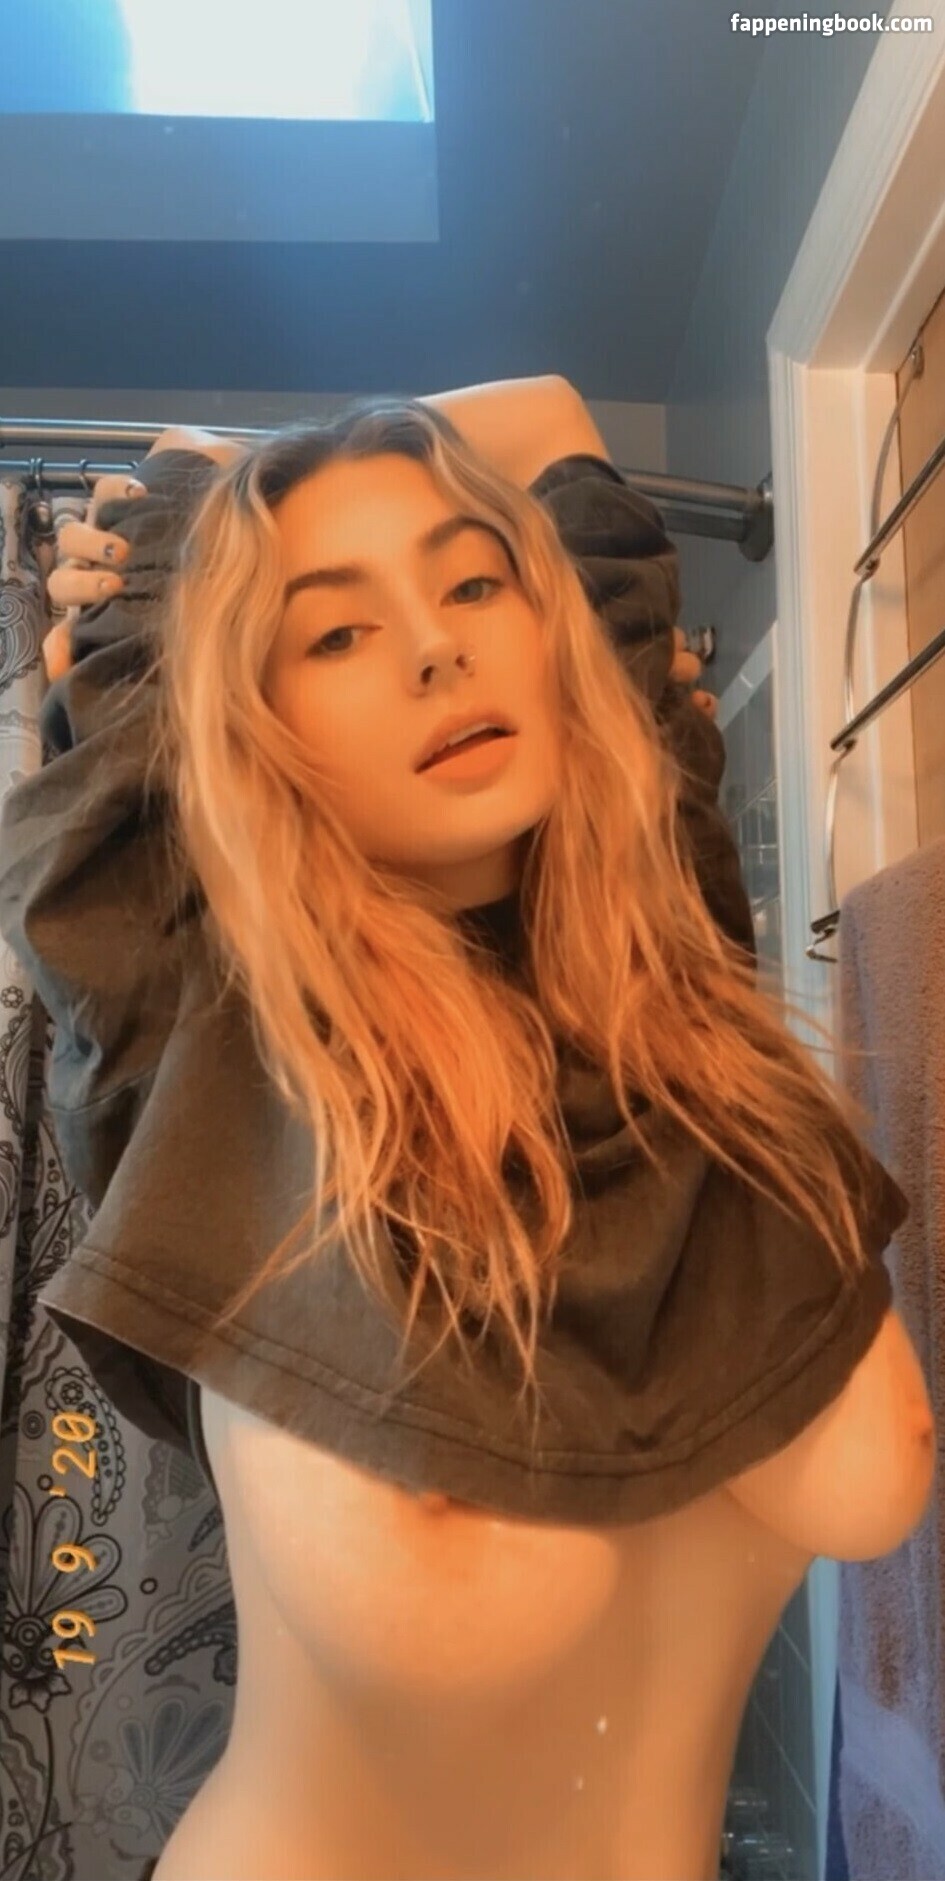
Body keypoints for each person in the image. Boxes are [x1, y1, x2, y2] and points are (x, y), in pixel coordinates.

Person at [0, 379, 933, 1881]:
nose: (435, 644)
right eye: (334, 631)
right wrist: (213, 490)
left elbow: (554, 417)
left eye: (474, 582)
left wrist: (301, 476)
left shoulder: (681, 1002)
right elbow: (173, 507)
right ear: (250, 725)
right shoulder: (206, 1037)